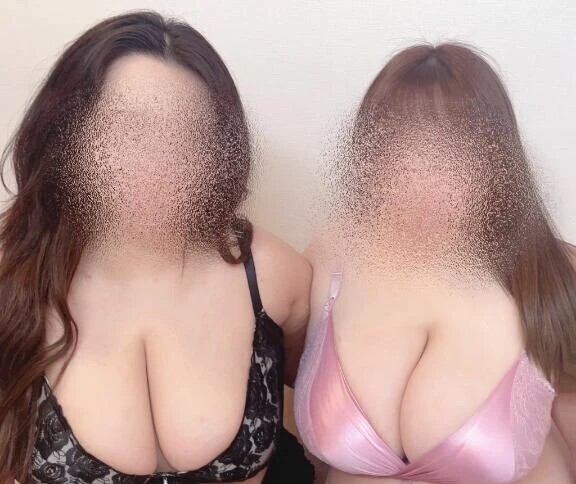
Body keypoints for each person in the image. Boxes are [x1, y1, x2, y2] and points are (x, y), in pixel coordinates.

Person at [0, 11, 313, 484]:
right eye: (126, 130)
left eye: (186, 135)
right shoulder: (15, 279)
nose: (157, 163)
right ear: (68, 137)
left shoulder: (275, 274)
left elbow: (329, 402)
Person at [294, 43, 576, 483]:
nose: (423, 174)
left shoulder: (550, 267)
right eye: (401, 147)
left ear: (495, 159)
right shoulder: (330, 254)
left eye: (453, 151)